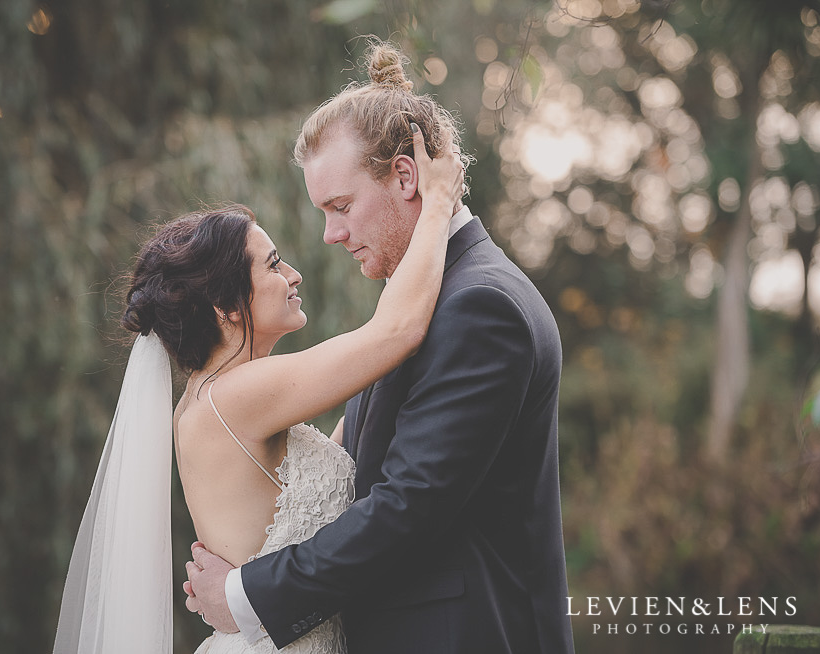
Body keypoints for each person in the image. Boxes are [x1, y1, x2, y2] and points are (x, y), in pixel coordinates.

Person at [185, 40, 576, 654]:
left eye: (340, 207)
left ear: (405, 176)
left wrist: (247, 593)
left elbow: (408, 505)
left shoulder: (481, 306)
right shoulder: (426, 299)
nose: (330, 235)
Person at [51, 119, 465, 654]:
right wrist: (436, 204)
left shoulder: (217, 399)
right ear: (225, 306)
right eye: (273, 265)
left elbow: (328, 456)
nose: (294, 274)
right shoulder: (239, 394)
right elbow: (397, 331)